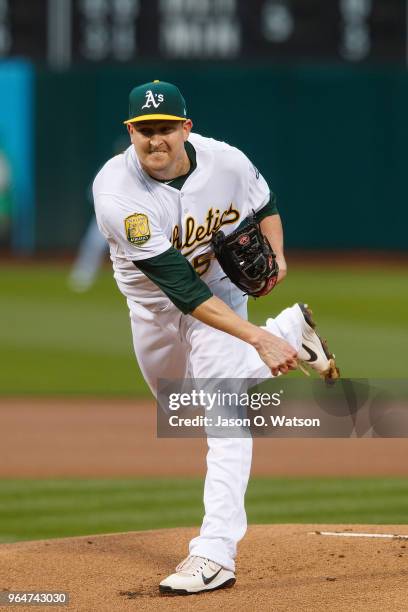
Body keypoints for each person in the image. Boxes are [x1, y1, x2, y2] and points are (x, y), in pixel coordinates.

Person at [93, 80, 338, 595]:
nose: (154, 140)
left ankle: (215, 553)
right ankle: (291, 331)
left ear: (186, 127)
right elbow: (179, 288)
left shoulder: (225, 160)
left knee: (223, 413)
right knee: (179, 408)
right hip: (157, 305)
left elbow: (265, 202)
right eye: (143, 130)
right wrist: (260, 338)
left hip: (220, 294)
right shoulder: (117, 192)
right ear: (130, 131)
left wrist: (280, 256)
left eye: (164, 129)